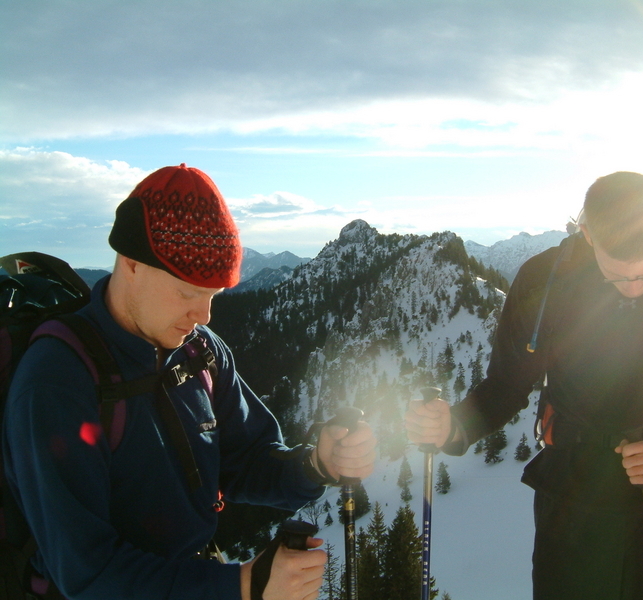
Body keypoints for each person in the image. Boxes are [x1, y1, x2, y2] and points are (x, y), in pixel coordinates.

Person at [3, 164, 377, 600]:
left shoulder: (201, 351)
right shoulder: (56, 381)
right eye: (186, 293)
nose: (203, 317)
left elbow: (246, 458)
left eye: (213, 296)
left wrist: (316, 464)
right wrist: (240, 586)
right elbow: (86, 573)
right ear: (131, 264)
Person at [405, 171, 643, 599]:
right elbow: (508, 383)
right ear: (587, 235)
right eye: (616, 275)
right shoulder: (546, 282)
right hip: (572, 497)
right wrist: (454, 426)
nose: (633, 289)